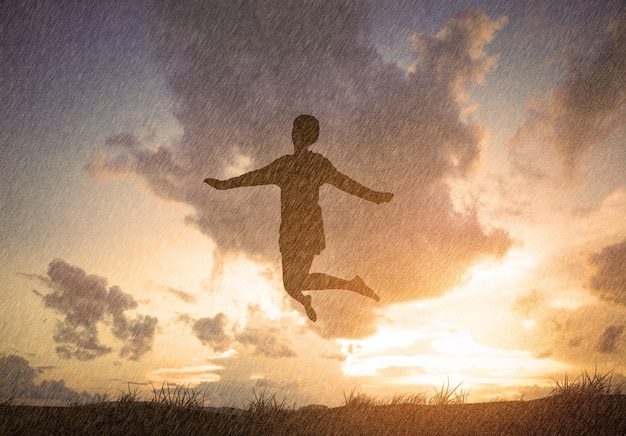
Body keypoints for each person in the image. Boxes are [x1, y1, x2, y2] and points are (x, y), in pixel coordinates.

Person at [204, 114, 393, 321]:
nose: (295, 135)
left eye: (296, 131)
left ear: (296, 135)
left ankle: (348, 286)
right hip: (300, 228)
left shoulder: (290, 165)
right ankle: (321, 295)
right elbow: (346, 183)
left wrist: (225, 184)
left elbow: (252, 177)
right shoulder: (308, 164)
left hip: (301, 228)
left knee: (294, 284)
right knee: (292, 285)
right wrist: (373, 196)